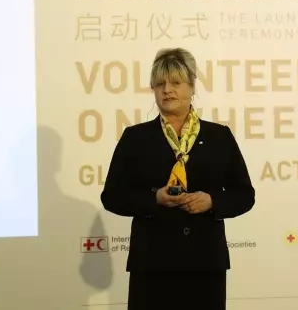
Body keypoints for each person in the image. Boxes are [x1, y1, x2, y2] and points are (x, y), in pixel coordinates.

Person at [101, 47, 255, 310]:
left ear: (192, 86)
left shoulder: (219, 136)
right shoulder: (136, 138)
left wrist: (212, 201)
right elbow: (112, 197)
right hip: (152, 263)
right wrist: (154, 198)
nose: (167, 90)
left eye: (176, 83)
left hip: (205, 263)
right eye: (160, 84)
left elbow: (244, 195)